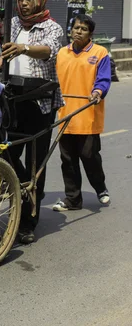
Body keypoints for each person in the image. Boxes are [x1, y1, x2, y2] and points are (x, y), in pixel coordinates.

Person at [1, 0, 64, 244]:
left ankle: (28, 222)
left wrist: (24, 48)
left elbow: (48, 51)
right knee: (8, 155)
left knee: (35, 162)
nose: (24, 4)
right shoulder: (13, 24)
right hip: (13, 99)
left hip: (40, 104)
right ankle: (22, 195)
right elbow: (7, 53)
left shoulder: (53, 27)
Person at [53, 15, 111, 212]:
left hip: (88, 115)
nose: (78, 31)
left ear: (90, 34)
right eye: (76, 27)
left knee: (89, 156)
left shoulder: (100, 52)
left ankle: (100, 188)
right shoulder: (61, 53)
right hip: (65, 115)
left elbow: (103, 80)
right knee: (67, 161)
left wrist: (97, 92)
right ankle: (73, 200)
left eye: (83, 29)